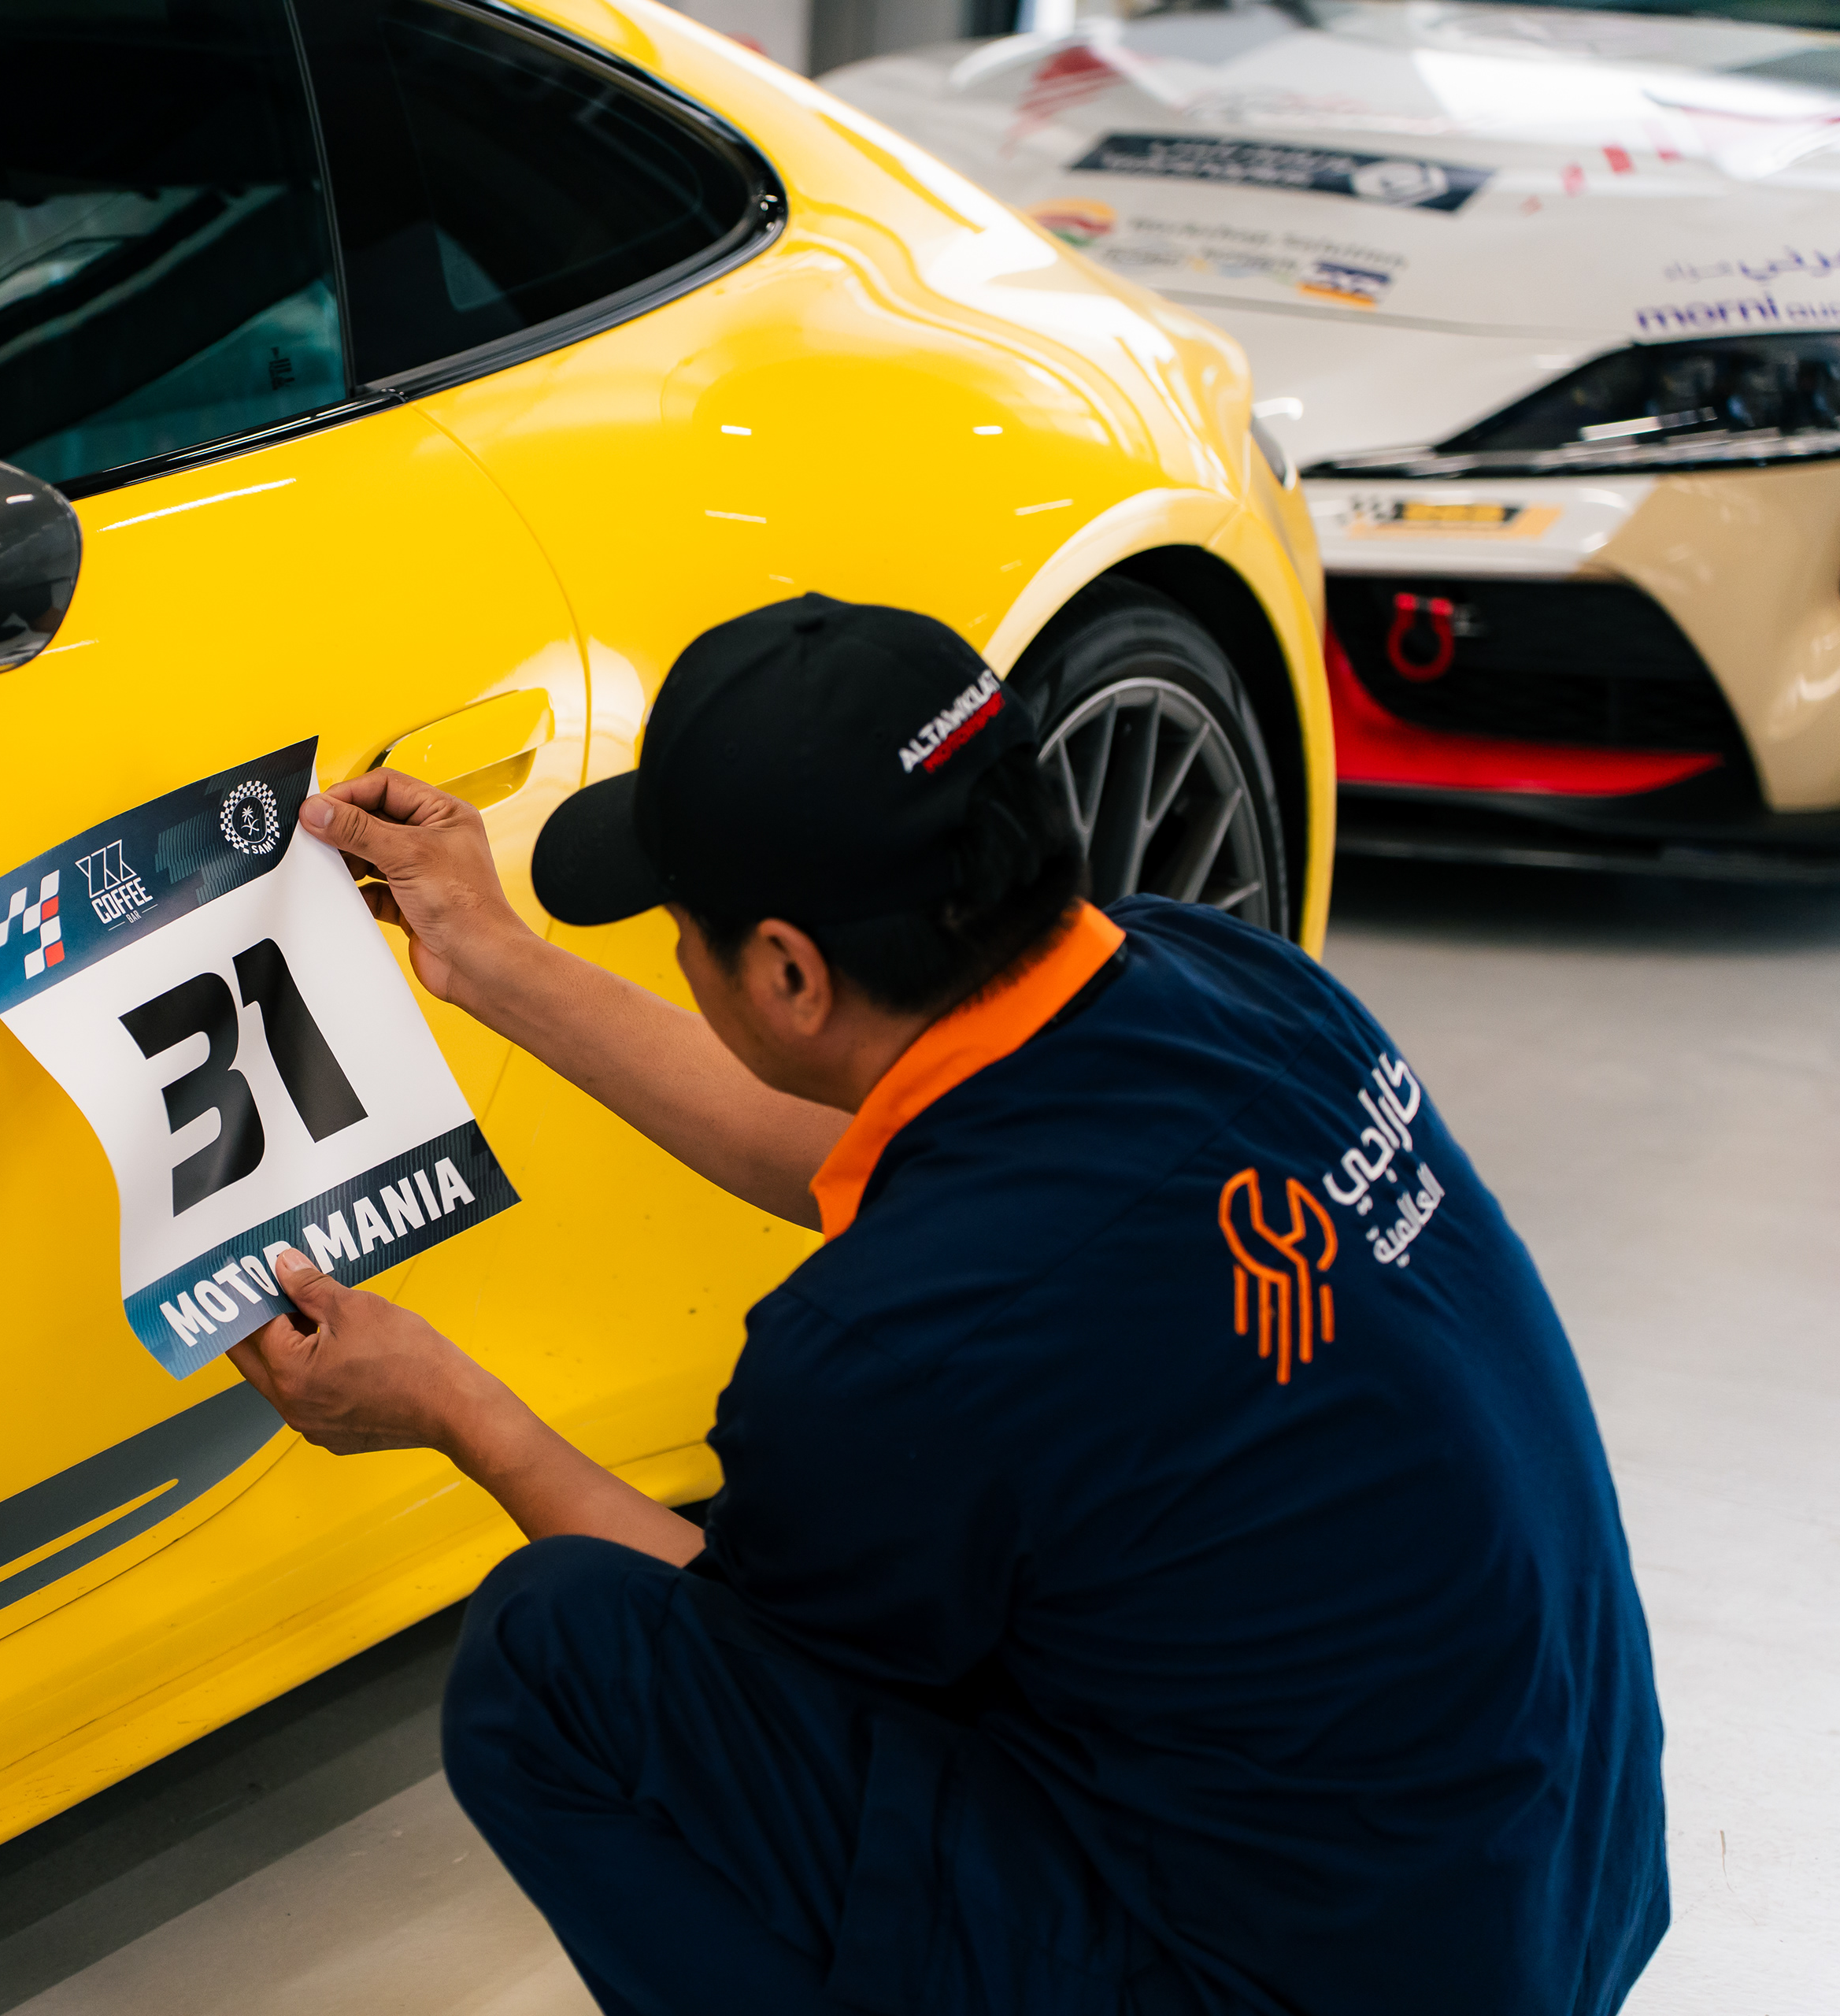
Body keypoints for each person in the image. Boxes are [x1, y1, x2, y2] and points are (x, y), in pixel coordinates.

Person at [226, 595, 1667, 2016]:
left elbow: (740, 1660)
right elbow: (872, 1146)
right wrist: (489, 960)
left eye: (679, 924)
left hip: (1304, 1974)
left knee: (560, 1667)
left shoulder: (896, 1345)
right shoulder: (1222, 981)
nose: (676, 948)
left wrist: (457, 1409)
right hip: (1544, 1888)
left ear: (789, 972)